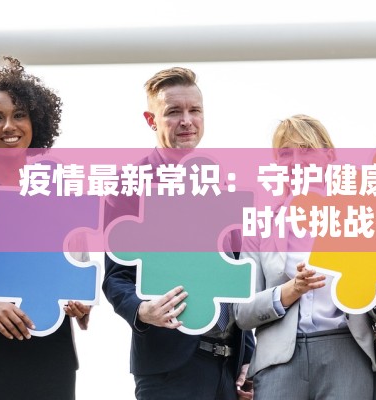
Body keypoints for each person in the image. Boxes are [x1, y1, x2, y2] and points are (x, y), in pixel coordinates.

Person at [102, 66, 254, 400]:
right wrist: (142, 310)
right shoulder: (130, 186)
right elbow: (115, 278)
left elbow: (236, 274)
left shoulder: (223, 186)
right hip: (169, 369)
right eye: (173, 112)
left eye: (194, 110)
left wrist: (248, 356)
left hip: (229, 371)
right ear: (151, 120)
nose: (187, 121)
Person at [0, 56, 91, 400]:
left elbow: (78, 266)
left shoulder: (63, 189)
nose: (9, 126)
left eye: (19, 115)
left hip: (50, 352)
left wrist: (82, 303)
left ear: (35, 122)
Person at [234, 114, 376, 400]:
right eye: (285, 153)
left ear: (330, 155)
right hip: (279, 362)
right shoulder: (260, 227)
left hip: (346, 351)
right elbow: (242, 313)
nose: (296, 161)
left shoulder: (361, 219)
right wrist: (289, 292)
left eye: (307, 149)